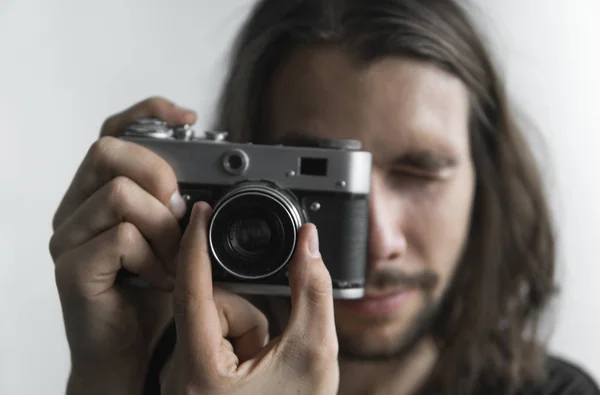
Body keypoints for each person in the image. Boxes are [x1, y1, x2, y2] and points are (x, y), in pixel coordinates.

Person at [49, 0, 600, 394]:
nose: (377, 243)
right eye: (310, 182)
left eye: (420, 172)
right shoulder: (163, 377)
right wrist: (107, 375)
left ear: (487, 181)